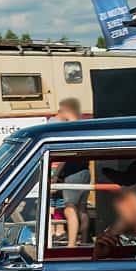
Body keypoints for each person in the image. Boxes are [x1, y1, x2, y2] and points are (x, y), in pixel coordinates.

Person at [51, 98, 87, 246]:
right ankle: (84, 240)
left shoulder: (67, 130)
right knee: (82, 210)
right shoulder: (81, 128)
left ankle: (71, 244)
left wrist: (55, 175)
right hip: (84, 171)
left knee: (69, 209)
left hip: (72, 173)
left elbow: (63, 157)